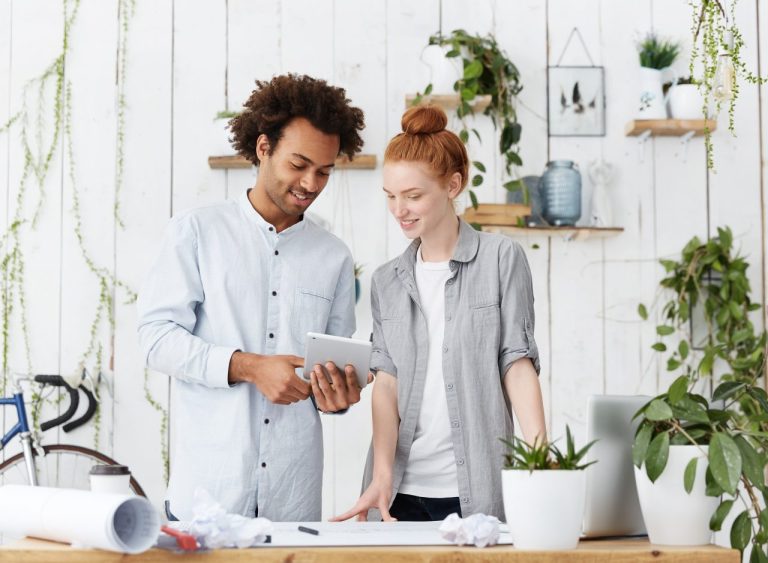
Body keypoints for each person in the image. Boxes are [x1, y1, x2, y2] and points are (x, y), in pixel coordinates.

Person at [137, 74, 367, 522]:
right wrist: (250, 366)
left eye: (324, 171)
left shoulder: (334, 256)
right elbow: (154, 338)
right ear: (264, 148)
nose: (311, 183)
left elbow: (331, 374)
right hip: (208, 493)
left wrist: (337, 396)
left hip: (292, 499)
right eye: (298, 165)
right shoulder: (197, 232)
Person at [333, 105, 546, 523]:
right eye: (391, 197)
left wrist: (544, 465)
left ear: (453, 184)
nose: (400, 210)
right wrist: (380, 474)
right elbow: (387, 385)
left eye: (413, 196)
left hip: (477, 489)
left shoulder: (501, 259)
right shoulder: (386, 282)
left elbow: (516, 363)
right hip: (398, 493)